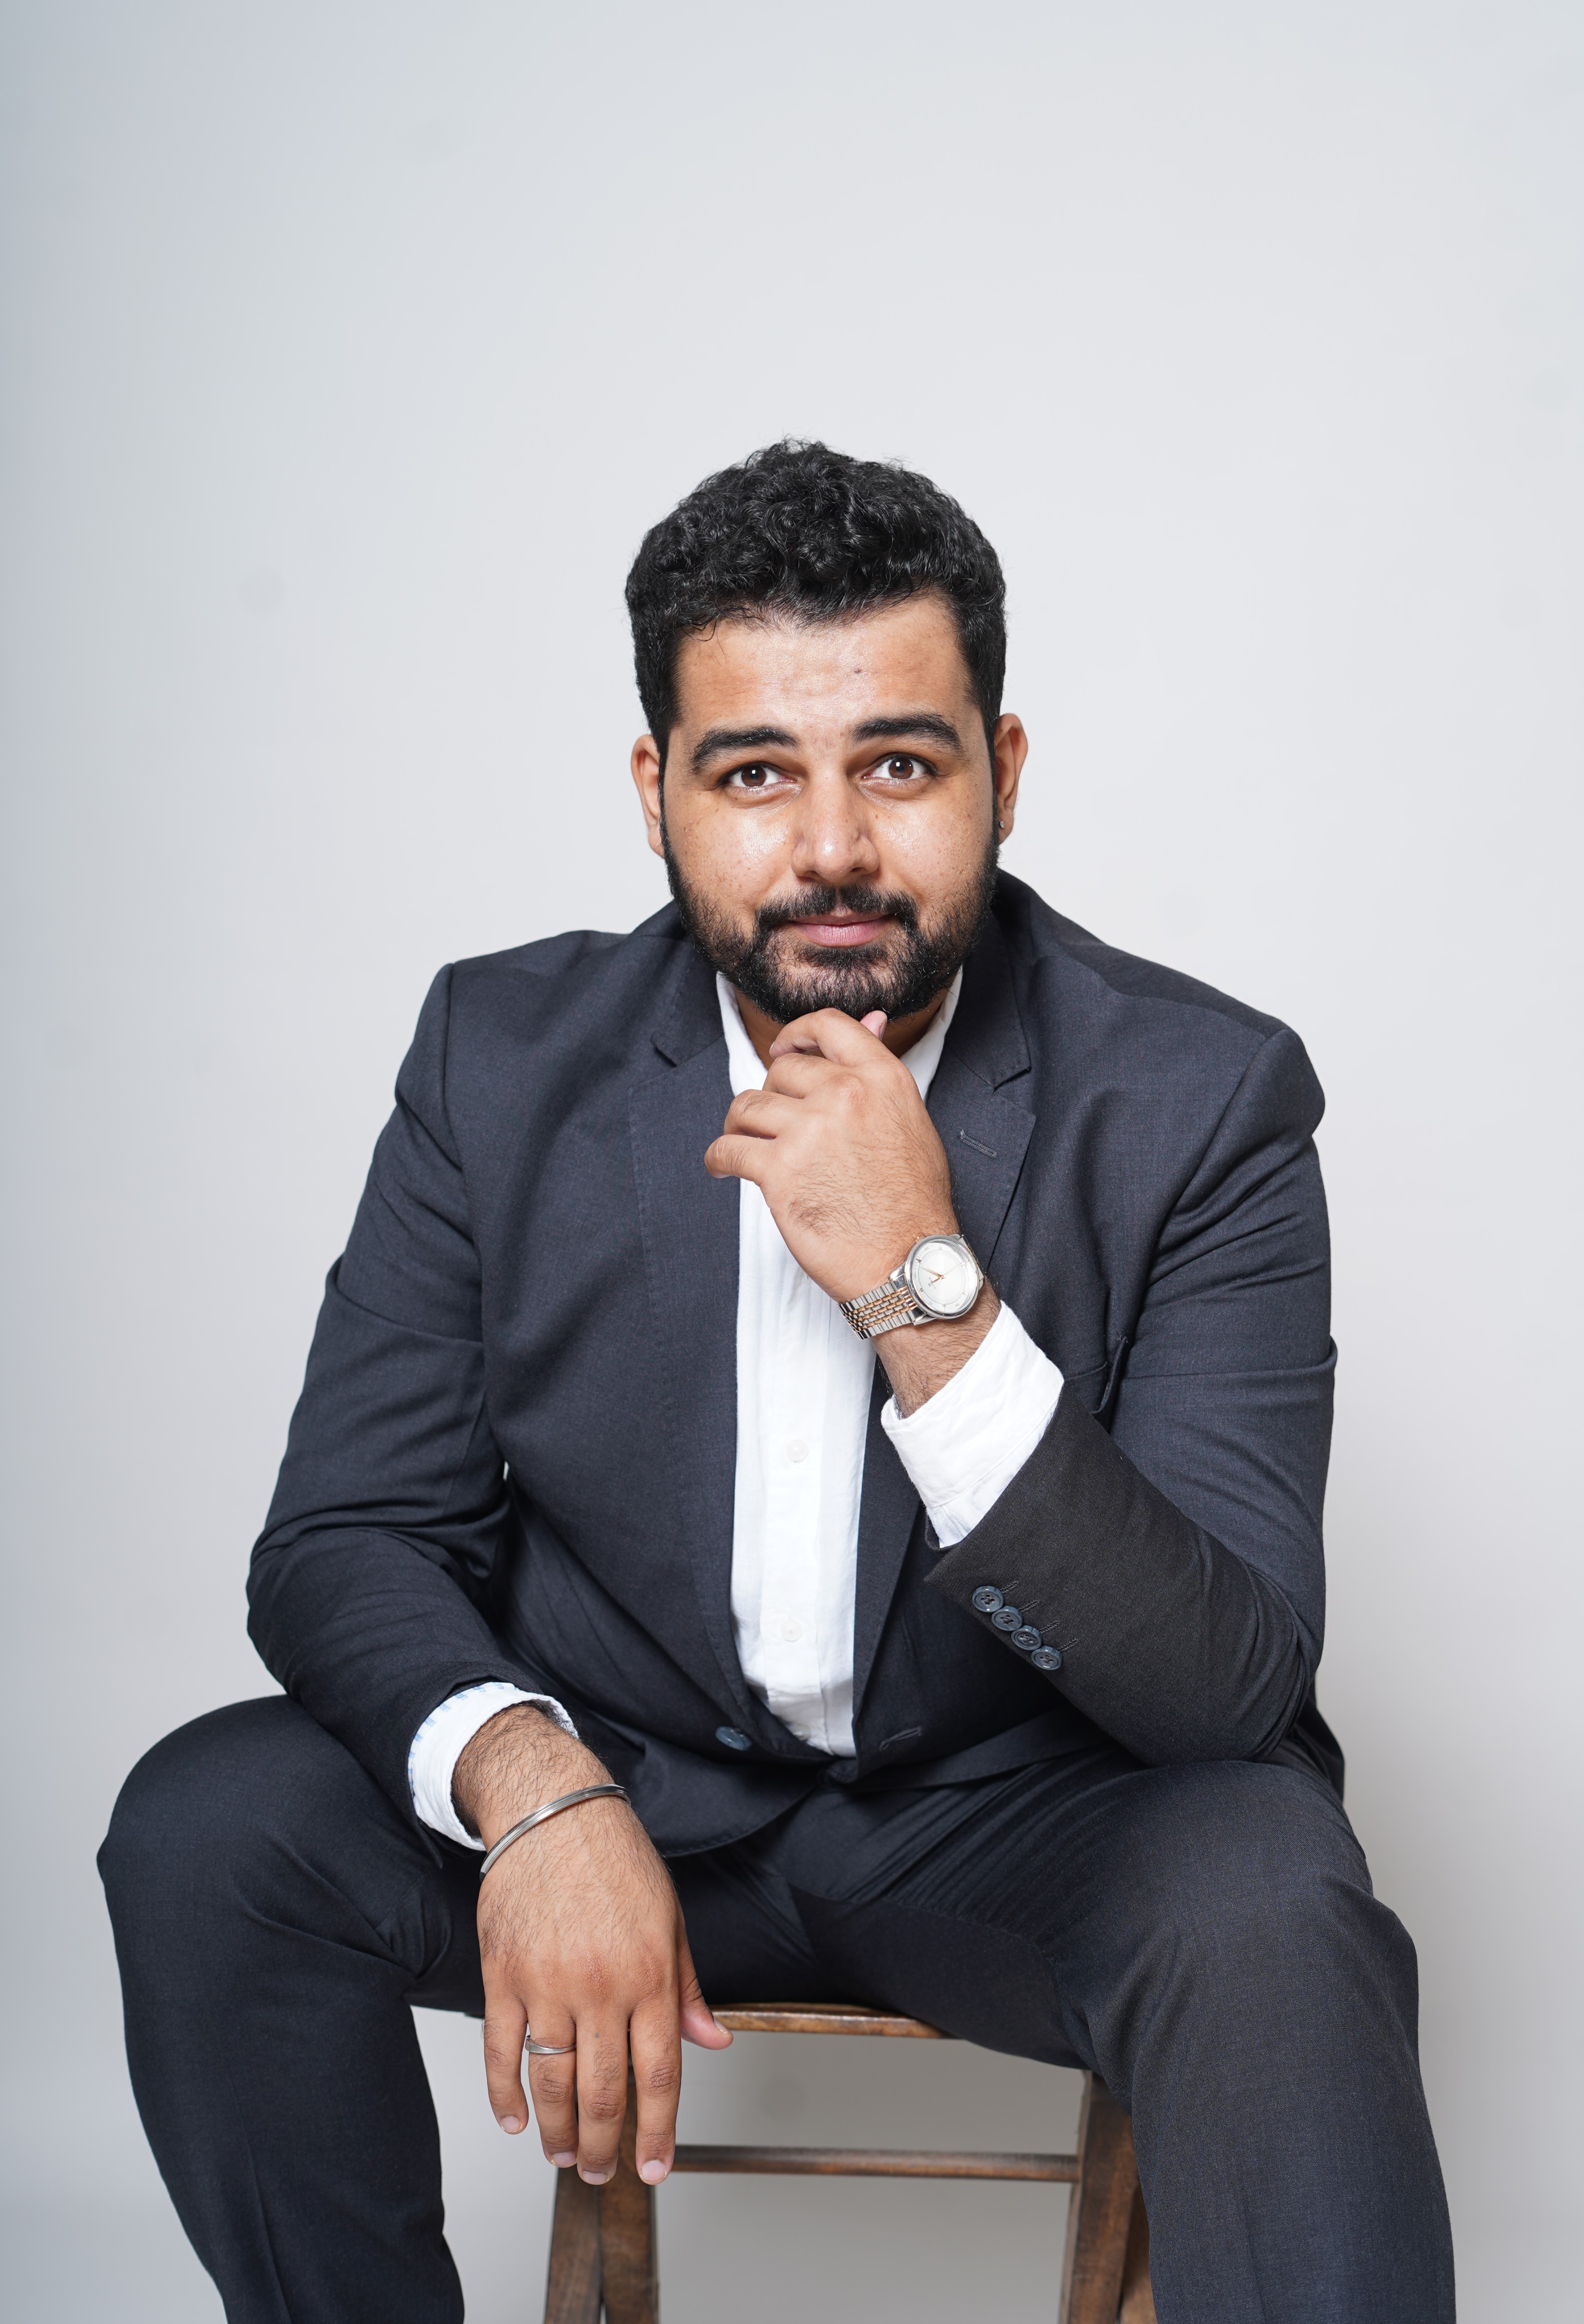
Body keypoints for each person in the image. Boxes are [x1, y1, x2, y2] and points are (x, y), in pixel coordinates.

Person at [100, 440, 1454, 2323]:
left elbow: (1226, 1685)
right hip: (625, 1786)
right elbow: (345, 1539)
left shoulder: (1205, 1099)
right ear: (655, 789)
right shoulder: (500, 1059)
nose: (830, 850)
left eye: (899, 764)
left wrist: (924, 1288)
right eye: (754, 773)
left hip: (1022, 1819)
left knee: (1272, 1897)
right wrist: (534, 1788)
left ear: (1004, 771)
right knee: (209, 1831)